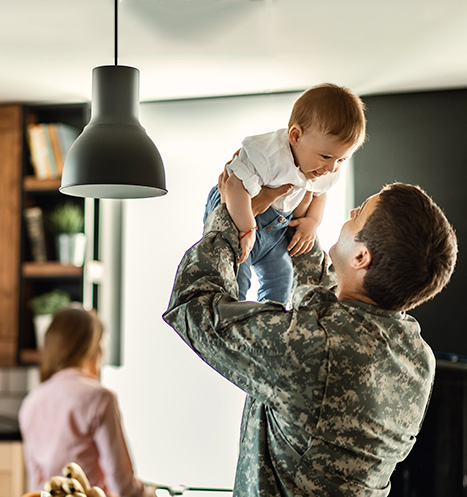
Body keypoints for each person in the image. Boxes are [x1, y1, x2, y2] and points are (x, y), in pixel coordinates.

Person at [164, 181, 458, 496]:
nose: (350, 213)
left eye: (358, 215)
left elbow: (193, 306)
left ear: (361, 257)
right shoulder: (415, 355)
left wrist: (230, 216)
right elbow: (329, 299)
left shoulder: (315, 348)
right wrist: (293, 217)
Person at [203, 83, 366, 305]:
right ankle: (235, 317)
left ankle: (271, 318)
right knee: (237, 276)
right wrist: (246, 229)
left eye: (341, 159)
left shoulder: (324, 167)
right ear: (296, 136)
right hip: (240, 211)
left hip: (277, 230)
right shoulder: (267, 155)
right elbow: (232, 187)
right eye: (326, 156)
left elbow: (320, 193)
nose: (332, 168)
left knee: (282, 279)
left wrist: (312, 221)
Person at [19, 305, 158, 497]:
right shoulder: (100, 398)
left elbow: (37, 485)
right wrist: (150, 492)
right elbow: (122, 487)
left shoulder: (30, 403)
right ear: (93, 348)